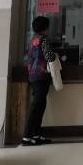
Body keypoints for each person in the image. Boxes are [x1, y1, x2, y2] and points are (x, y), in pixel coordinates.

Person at [22, 16, 54, 146]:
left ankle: (36, 134)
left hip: (33, 75)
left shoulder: (33, 39)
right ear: (45, 27)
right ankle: (27, 136)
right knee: (37, 107)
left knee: (39, 105)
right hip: (41, 75)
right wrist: (56, 55)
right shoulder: (44, 39)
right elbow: (49, 56)